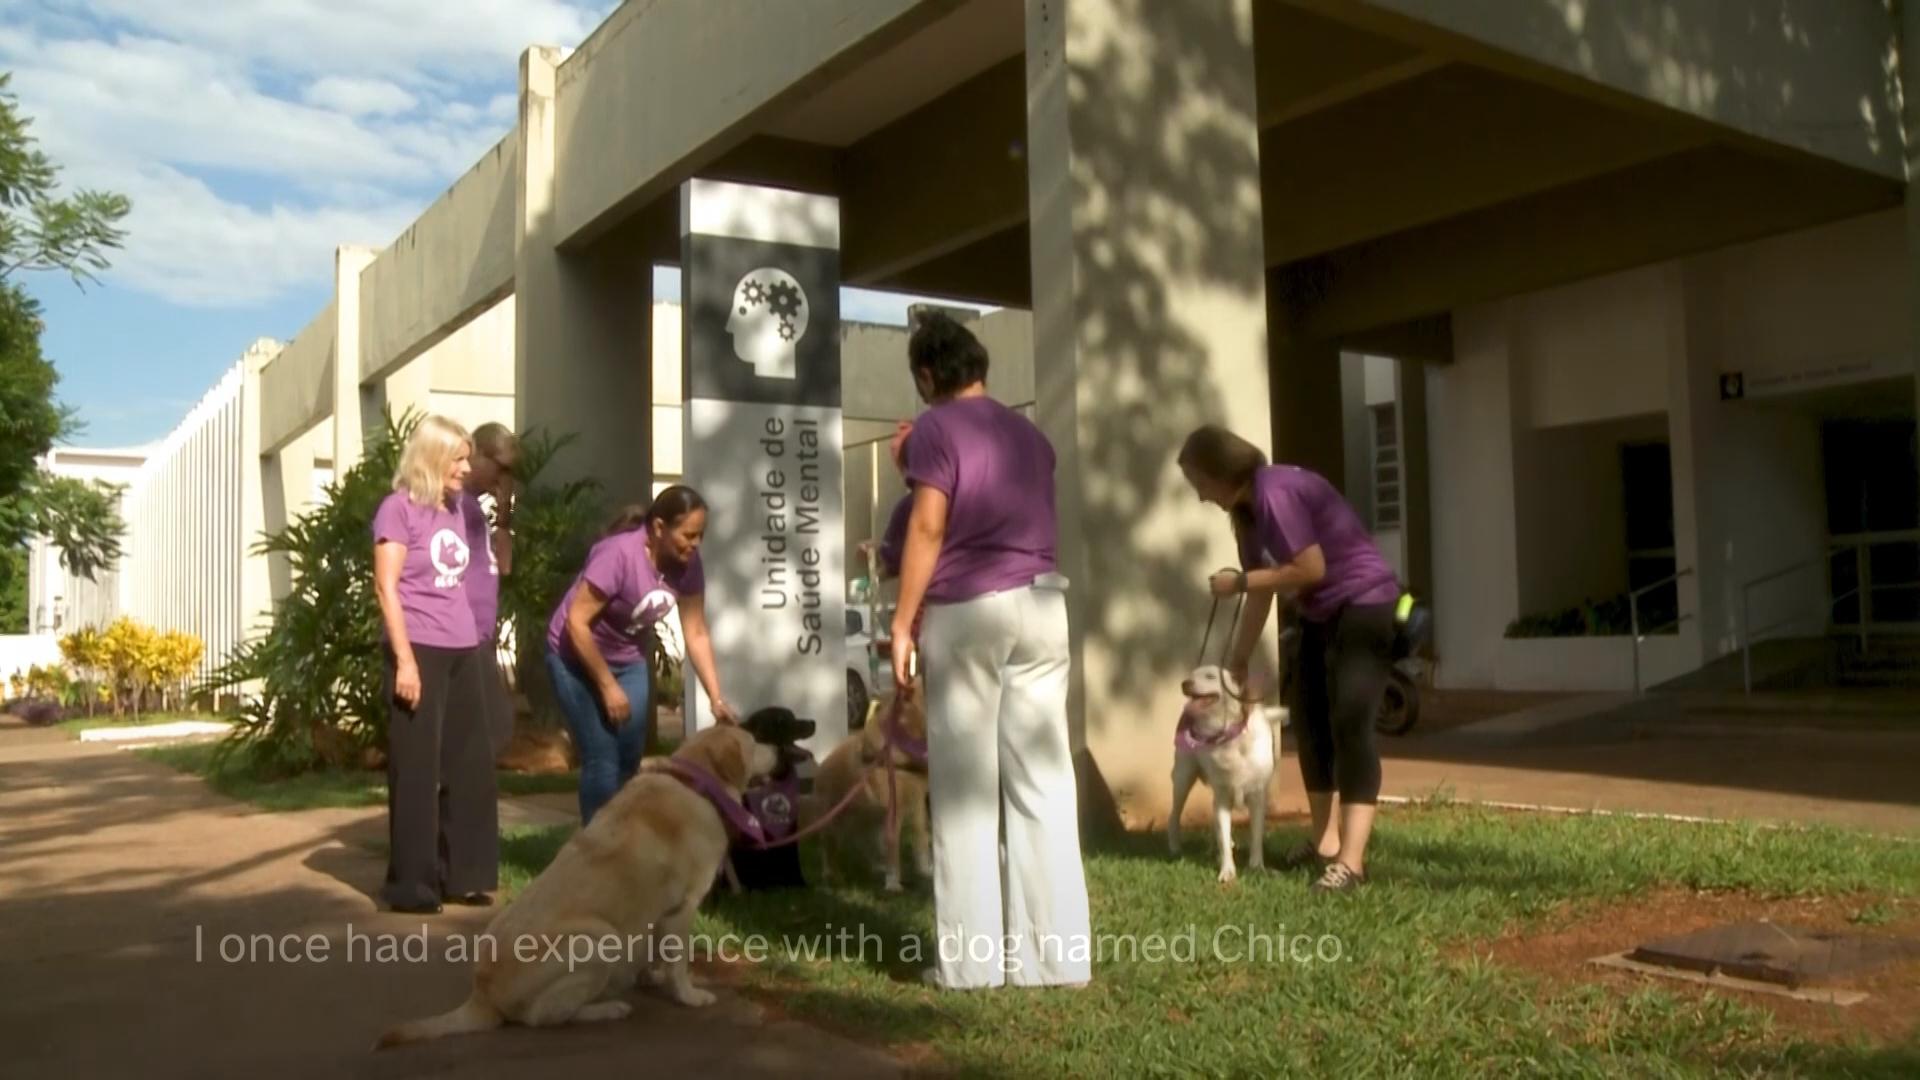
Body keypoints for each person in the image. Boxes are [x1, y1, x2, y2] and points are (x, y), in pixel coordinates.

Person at [889, 311, 1091, 990]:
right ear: (980, 366)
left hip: (968, 609)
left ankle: (969, 967)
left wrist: (901, 624)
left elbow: (927, 524)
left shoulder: (934, 430)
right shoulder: (1032, 437)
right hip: (1042, 605)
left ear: (926, 375)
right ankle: (1057, 961)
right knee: (1044, 784)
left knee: (966, 789)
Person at [1176, 425, 1402, 893]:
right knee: (1309, 719)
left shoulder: (1274, 491)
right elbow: (1267, 584)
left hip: (1364, 603)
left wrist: (1239, 583)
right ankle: (1324, 845)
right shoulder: (1246, 513)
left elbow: (1308, 568)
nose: (1200, 497)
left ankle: (1352, 862)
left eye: (1199, 483)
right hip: (1321, 611)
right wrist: (1237, 658)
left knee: (1349, 722)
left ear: (1220, 471)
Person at [545, 485, 739, 825]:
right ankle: (599, 848)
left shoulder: (689, 565)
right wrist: (607, 686)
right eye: (688, 534)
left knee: (629, 757)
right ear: (659, 528)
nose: (695, 544)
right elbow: (577, 623)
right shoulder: (619, 554)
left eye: (700, 536)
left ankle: (624, 836)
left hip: (628, 659)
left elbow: (695, 632)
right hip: (573, 656)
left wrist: (716, 697)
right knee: (602, 756)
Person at [371, 414, 499, 914]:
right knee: (417, 769)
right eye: (459, 458)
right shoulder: (397, 510)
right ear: (432, 458)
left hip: (463, 647)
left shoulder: (459, 509)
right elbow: (386, 587)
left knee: (471, 765)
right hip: (417, 646)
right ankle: (413, 885)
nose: (467, 468)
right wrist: (404, 661)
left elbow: (481, 573)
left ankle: (464, 874)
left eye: (468, 458)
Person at [461, 422, 520, 759]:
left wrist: (504, 515)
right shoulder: (455, 501)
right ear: (478, 454)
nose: (503, 478)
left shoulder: (477, 506)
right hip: (461, 630)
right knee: (492, 723)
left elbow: (506, 565)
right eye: (501, 468)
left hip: (482, 629)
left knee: (494, 725)